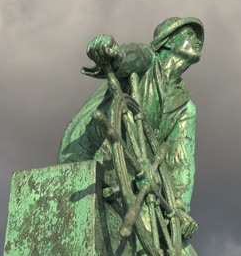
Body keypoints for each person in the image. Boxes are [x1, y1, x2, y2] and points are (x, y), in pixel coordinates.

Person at [58, 17, 204, 255]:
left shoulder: (186, 108)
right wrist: (111, 53)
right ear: (167, 42)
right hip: (96, 155)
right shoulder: (147, 61)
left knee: (183, 251)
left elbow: (181, 162)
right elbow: (129, 56)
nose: (198, 40)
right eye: (189, 34)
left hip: (139, 180)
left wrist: (178, 210)